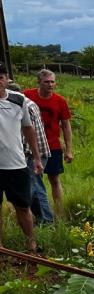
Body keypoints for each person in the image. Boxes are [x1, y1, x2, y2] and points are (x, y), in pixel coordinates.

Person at [0, 64, 44, 252]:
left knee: (23, 205)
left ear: (7, 78)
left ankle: (31, 242)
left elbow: (28, 128)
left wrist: (36, 157)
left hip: (15, 162)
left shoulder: (19, 100)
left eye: (0, 76)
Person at [24, 69, 73, 216]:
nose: (50, 85)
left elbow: (66, 125)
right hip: (31, 146)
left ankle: (59, 211)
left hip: (53, 146)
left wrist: (69, 149)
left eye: (52, 81)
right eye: (46, 82)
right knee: (33, 181)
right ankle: (36, 213)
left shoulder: (60, 101)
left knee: (54, 179)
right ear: (39, 82)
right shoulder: (27, 95)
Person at [9, 82, 53, 224]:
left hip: (30, 153)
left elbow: (25, 132)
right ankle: (44, 220)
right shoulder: (30, 103)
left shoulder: (20, 105)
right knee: (36, 186)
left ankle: (45, 220)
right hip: (39, 152)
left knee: (31, 189)